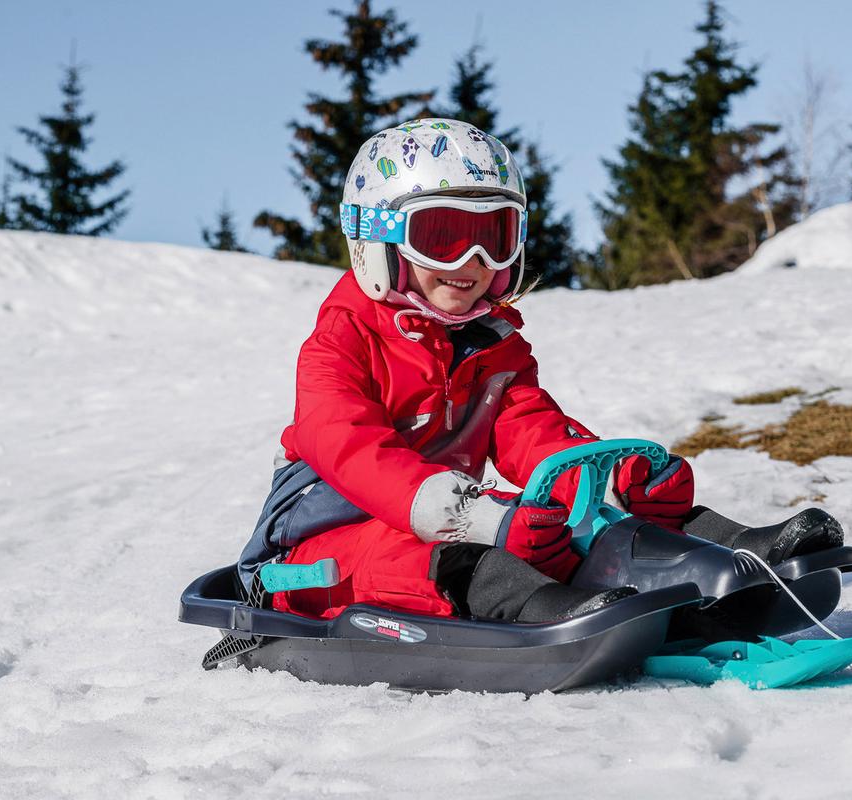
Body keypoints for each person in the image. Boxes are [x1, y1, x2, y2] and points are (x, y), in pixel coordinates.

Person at [239, 119, 696, 624]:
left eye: (492, 237)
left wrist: (610, 482)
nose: (472, 260)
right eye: (441, 237)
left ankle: (719, 565)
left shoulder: (492, 347)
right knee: (431, 557)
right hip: (312, 556)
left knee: (568, 528)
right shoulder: (339, 344)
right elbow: (348, 446)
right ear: (378, 237)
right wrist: (465, 515)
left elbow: (529, 431)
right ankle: (548, 611)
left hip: (448, 523)